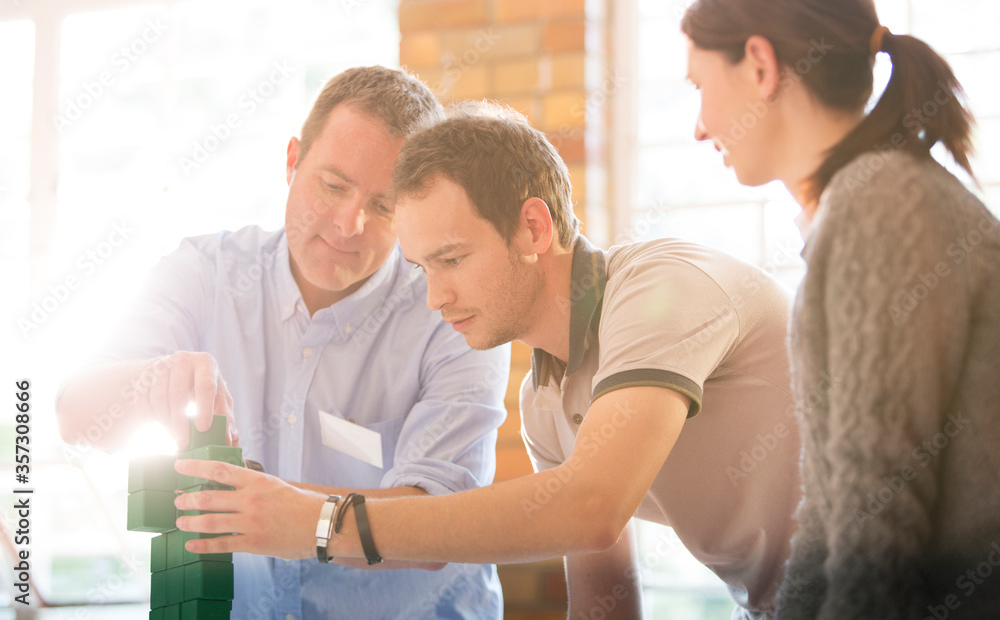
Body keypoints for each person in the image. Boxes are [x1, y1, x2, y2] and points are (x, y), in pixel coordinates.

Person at [173, 102, 802, 619]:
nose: (434, 297)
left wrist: (317, 523)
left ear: (533, 228)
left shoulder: (663, 289)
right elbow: (603, 592)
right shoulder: (545, 404)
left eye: (451, 260)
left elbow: (589, 507)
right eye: (420, 269)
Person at [56, 67, 511, 619]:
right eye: (333, 185)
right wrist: (145, 385)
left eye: (384, 205)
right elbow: (74, 416)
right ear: (292, 160)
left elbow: (441, 528)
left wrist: (285, 514)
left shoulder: (455, 312)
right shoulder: (204, 273)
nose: (348, 224)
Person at [681, 0, 1000, 617]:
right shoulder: (864, 202)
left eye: (699, 86)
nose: (700, 125)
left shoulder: (882, 206)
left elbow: (877, 534)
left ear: (761, 67)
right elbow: (831, 512)